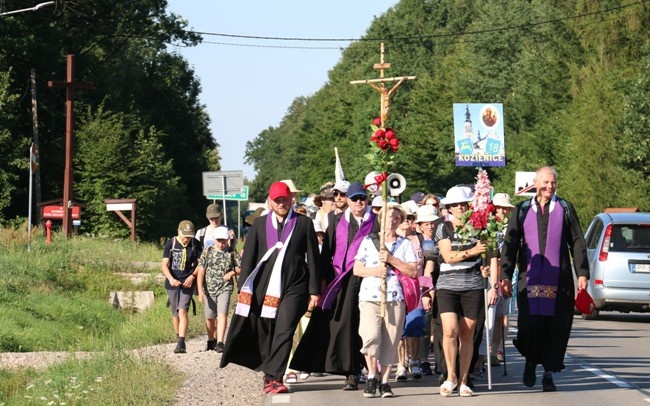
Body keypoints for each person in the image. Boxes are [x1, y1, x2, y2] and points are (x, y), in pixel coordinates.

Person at [220, 181, 321, 395]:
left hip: (296, 285)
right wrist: (244, 290)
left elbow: (313, 258)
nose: (282, 204)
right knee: (267, 330)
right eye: (278, 200)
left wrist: (314, 291)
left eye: (285, 199)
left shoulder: (303, 224)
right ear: (270, 201)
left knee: (284, 329)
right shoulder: (259, 224)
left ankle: (276, 377)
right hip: (263, 287)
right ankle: (269, 374)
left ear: (291, 200)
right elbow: (248, 259)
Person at [500, 166, 589, 392]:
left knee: (555, 327)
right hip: (528, 280)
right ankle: (531, 362)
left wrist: (582, 274)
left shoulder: (565, 208)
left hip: (559, 280)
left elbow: (577, 242)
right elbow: (510, 245)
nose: (549, 186)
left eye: (553, 183)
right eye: (545, 182)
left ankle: (549, 373)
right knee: (529, 326)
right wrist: (504, 275)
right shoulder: (521, 210)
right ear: (535, 183)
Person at [290, 181, 375, 391]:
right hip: (340, 280)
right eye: (354, 198)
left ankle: (366, 369)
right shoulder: (336, 220)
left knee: (364, 326)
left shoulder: (375, 222)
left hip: (368, 280)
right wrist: (319, 282)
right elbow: (326, 252)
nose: (358, 202)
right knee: (343, 325)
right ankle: (350, 371)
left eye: (362, 198)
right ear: (348, 200)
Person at [434, 186, 497, 397]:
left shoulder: (480, 227)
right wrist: (473, 251)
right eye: (455, 204)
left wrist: (486, 268)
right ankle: (450, 376)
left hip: (473, 285)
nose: (460, 207)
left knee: (467, 334)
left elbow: (488, 255)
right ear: (449, 208)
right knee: (450, 330)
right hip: (447, 287)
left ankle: (464, 380)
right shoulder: (443, 228)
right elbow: (448, 256)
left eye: (463, 204)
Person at [354, 203, 417, 398]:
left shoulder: (405, 244)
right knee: (370, 336)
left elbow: (413, 271)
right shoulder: (368, 241)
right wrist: (374, 271)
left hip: (394, 297)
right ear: (381, 220)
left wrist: (391, 259)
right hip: (369, 297)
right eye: (389, 217)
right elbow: (357, 269)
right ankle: (372, 373)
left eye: (397, 218)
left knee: (391, 340)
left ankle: (384, 381)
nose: (393, 221)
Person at [195, 226, 240, 353]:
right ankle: (211, 339)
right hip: (209, 288)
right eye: (219, 241)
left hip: (225, 287)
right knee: (209, 317)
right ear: (214, 239)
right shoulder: (207, 251)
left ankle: (220, 341)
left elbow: (241, 267)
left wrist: (232, 273)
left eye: (224, 241)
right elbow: (201, 272)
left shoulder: (231, 252)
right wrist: (200, 290)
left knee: (222, 314)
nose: (221, 244)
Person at [161, 220, 203, 354]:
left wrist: (192, 277)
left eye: (189, 235)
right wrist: (171, 279)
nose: (186, 238)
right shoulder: (171, 243)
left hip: (187, 282)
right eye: (184, 235)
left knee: (183, 310)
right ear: (178, 231)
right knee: (175, 313)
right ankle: (178, 335)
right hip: (172, 283)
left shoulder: (195, 244)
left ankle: (181, 342)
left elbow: (201, 264)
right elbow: (164, 265)